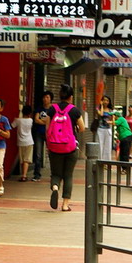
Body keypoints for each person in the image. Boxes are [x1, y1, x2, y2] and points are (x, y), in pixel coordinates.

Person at [46, 83, 85, 212]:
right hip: (70, 148)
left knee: (56, 174)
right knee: (68, 175)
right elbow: (82, 128)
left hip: (54, 147)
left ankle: (55, 188)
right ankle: (65, 205)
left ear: (59, 95)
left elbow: (47, 128)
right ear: (71, 97)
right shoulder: (74, 110)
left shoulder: (52, 109)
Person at [31, 91, 53, 182]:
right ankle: (37, 175)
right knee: (38, 154)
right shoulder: (39, 109)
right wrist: (47, 121)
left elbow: (53, 121)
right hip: (39, 133)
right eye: (44, 97)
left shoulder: (53, 109)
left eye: (47, 97)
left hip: (50, 134)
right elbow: (36, 120)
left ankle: (54, 174)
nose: (45, 99)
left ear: (51, 98)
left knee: (51, 154)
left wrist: (43, 120)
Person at [13, 104, 34, 181]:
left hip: (20, 142)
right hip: (29, 141)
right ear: (30, 113)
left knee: (22, 160)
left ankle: (23, 175)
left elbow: (12, 126)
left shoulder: (18, 120)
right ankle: (24, 175)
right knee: (26, 159)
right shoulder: (31, 120)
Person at [95, 95, 114, 161]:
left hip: (108, 129)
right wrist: (101, 106)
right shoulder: (98, 109)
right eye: (104, 100)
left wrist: (110, 122)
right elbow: (101, 114)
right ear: (102, 101)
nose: (106, 102)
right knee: (100, 145)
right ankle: (100, 161)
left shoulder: (111, 110)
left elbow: (113, 121)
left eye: (107, 100)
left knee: (108, 146)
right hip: (100, 129)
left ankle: (107, 162)